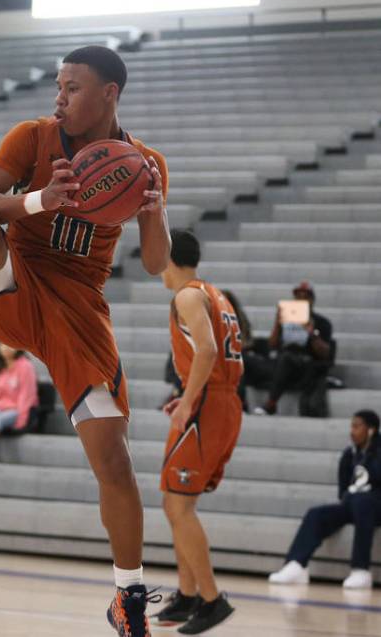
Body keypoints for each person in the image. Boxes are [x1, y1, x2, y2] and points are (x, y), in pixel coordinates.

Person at [0, 45, 169, 636]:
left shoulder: (145, 162)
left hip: (78, 308)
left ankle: (127, 595)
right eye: (58, 85)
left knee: (114, 462)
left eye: (73, 87)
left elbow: (156, 264)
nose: (60, 97)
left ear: (109, 94)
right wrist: (39, 200)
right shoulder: (32, 137)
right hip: (16, 281)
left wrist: (155, 211)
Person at [153, 231, 240, 634]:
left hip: (208, 407)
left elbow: (207, 350)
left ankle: (211, 599)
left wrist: (189, 402)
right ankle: (188, 595)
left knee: (179, 507)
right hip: (218, 401)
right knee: (175, 502)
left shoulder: (187, 295)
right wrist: (189, 394)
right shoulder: (213, 292)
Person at [269, 409, 380, 590]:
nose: (352, 431)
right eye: (351, 426)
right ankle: (296, 564)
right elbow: (343, 489)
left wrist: (370, 456)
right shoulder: (349, 455)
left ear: (371, 430)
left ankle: (361, 569)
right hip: (354, 504)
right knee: (316, 514)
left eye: (357, 426)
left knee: (363, 503)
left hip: (375, 505)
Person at [255, 281, 334, 417]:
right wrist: (277, 322)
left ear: (311, 300)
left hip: (306, 365)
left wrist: (312, 332)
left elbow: (325, 354)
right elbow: (272, 345)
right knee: (250, 361)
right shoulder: (287, 318)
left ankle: (271, 403)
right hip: (282, 361)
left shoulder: (322, 322)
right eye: (298, 296)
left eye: (305, 296)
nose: (301, 299)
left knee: (286, 359)